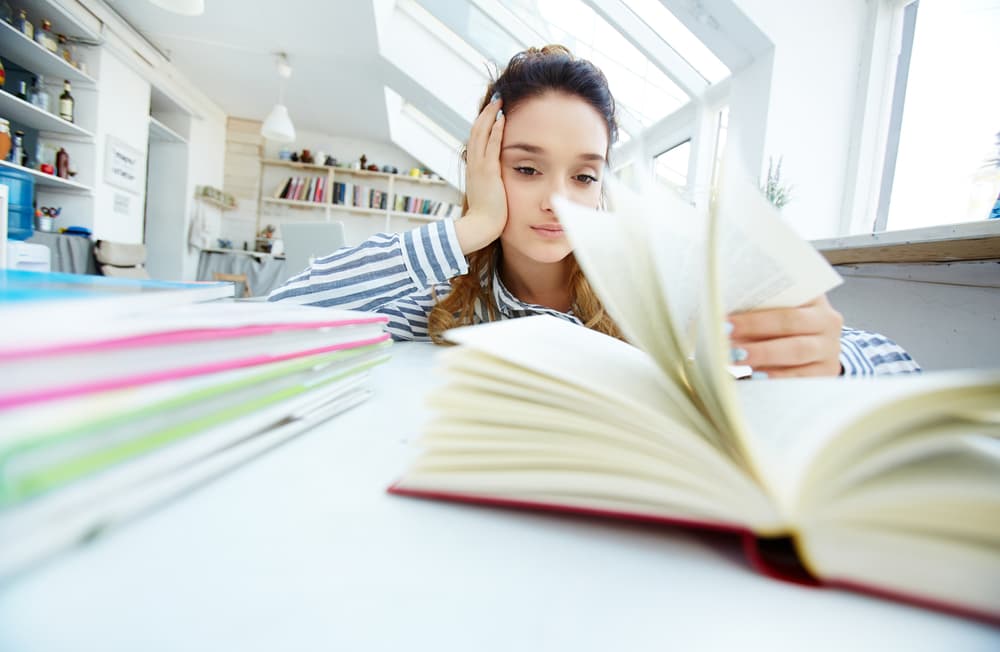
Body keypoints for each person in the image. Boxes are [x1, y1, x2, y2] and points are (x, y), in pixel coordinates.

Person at [269, 45, 919, 378]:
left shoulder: (644, 289)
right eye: (526, 168)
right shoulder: (441, 290)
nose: (559, 200)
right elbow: (279, 318)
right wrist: (469, 229)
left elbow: (898, 367)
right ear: (483, 165)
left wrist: (828, 359)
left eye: (584, 174)